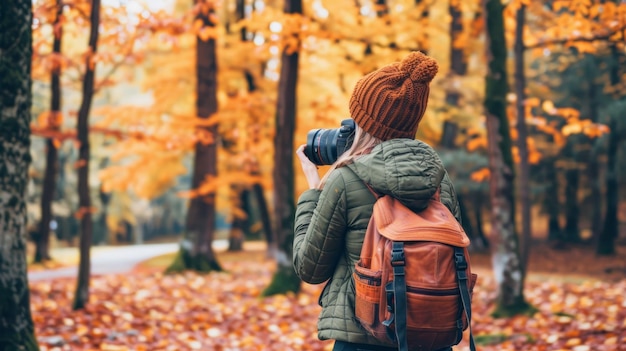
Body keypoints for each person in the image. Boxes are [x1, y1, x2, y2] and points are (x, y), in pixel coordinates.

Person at [292, 51, 462, 351]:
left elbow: (310, 268)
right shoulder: (439, 182)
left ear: (366, 124)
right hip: (431, 338)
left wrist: (313, 194)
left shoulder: (346, 181)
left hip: (362, 338)